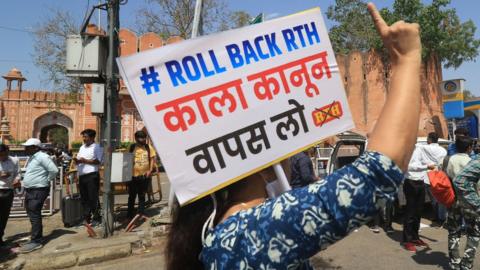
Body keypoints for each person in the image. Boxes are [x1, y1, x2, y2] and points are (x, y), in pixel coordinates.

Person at [167, 3, 422, 269]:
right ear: (266, 167)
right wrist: (406, 59)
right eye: (287, 153)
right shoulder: (249, 234)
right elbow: (378, 175)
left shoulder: (225, 233)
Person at [19, 138, 58, 253]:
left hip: (38, 189)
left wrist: (46, 180)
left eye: (28, 147)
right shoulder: (33, 157)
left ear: (35, 147)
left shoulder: (42, 156)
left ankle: (36, 241)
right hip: (32, 189)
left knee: (35, 213)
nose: (25, 149)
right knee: (32, 213)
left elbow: (54, 170)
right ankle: (34, 238)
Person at [446, 136, 477, 270]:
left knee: (454, 232)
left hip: (453, 200)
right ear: (469, 148)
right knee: (473, 233)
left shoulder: (448, 160)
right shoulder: (472, 162)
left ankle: (454, 263)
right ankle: (466, 264)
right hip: (470, 202)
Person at [74, 129, 103, 226]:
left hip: (92, 175)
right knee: (84, 198)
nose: (84, 139)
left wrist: (84, 161)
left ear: (92, 137)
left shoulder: (97, 147)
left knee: (93, 198)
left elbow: (98, 161)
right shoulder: (82, 147)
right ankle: (86, 218)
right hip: (82, 175)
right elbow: (79, 160)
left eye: (85, 137)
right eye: (83, 136)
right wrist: (77, 162)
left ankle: (97, 218)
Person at [127, 130, 156, 220]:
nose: (143, 139)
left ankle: (141, 213)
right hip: (133, 176)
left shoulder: (148, 147)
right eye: (140, 137)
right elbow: (127, 159)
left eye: (144, 137)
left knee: (142, 196)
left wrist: (150, 170)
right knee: (132, 196)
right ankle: (130, 214)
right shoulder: (131, 147)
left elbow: (152, 158)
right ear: (136, 138)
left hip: (144, 176)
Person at [423, 132, 448, 225]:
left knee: (433, 199)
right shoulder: (443, 150)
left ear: (429, 139)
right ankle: (441, 216)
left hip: (428, 176)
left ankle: (437, 217)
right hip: (440, 175)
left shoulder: (424, 148)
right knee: (440, 198)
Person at [0, 144, 20, 248]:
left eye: (4, 154)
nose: (2, 157)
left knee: (4, 216)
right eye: (0, 155)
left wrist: (17, 179)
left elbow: (17, 173)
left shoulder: (14, 160)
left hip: (8, 191)